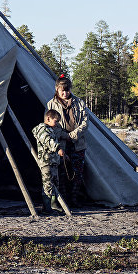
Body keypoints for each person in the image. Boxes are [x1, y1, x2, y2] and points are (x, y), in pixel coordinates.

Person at [47, 74, 88, 206]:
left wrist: (73, 135)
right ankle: (63, 200)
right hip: (61, 143)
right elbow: (50, 124)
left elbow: (85, 123)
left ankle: (74, 199)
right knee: (62, 172)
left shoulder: (79, 103)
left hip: (78, 143)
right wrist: (65, 136)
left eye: (67, 90)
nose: (65, 93)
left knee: (78, 172)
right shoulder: (51, 104)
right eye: (62, 90)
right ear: (57, 90)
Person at [32, 109, 68, 215]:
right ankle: (47, 207)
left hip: (53, 162)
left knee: (55, 183)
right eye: (55, 121)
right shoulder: (42, 129)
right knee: (47, 184)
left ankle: (53, 205)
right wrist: (58, 149)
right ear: (48, 118)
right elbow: (48, 141)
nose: (56, 124)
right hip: (46, 161)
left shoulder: (50, 130)